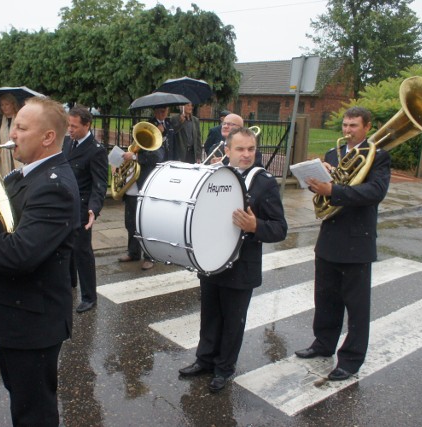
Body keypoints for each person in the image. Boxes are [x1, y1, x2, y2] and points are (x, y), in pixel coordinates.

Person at [0, 97, 80, 426]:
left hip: (33, 323)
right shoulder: (19, 177)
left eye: (22, 128)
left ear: (48, 137)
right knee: (22, 401)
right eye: (13, 125)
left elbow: (20, 253)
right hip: (16, 314)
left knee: (34, 412)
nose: (12, 134)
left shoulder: (55, 187)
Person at [179, 127, 288, 392]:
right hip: (210, 260)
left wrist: (255, 226)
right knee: (210, 315)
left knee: (233, 321)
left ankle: (224, 368)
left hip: (242, 267)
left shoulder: (265, 182)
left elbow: (280, 228)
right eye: (240, 149)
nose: (246, 154)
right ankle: (204, 360)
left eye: (251, 149)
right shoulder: (214, 175)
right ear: (227, 151)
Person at [295, 106, 391, 381]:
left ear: (367, 126)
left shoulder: (378, 157)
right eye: (345, 125)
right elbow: (323, 196)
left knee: (357, 307)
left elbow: (375, 192)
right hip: (329, 238)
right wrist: (318, 180)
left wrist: (334, 189)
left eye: (354, 126)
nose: (347, 131)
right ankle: (323, 344)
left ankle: (350, 360)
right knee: (325, 298)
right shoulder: (331, 155)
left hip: (357, 241)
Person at [63, 106, 109, 313]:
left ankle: (89, 296)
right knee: (66, 247)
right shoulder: (66, 142)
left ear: (87, 125)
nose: (70, 129)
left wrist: (94, 209)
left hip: (82, 208)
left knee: (82, 251)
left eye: (74, 126)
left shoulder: (96, 150)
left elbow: (100, 184)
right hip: (65, 205)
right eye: (68, 125)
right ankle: (71, 282)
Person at [118, 107, 169, 271]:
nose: (162, 112)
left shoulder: (168, 128)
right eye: (160, 110)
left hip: (148, 181)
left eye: (165, 110)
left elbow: (158, 156)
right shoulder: (147, 126)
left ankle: (149, 256)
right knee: (130, 220)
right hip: (133, 181)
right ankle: (133, 252)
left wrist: (134, 156)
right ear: (155, 111)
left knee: (146, 222)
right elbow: (133, 148)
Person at [0, 93, 23, 176]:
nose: (4, 107)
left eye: (7, 104)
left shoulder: (20, 119)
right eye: (2, 105)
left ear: (13, 105)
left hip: (19, 152)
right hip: (3, 155)